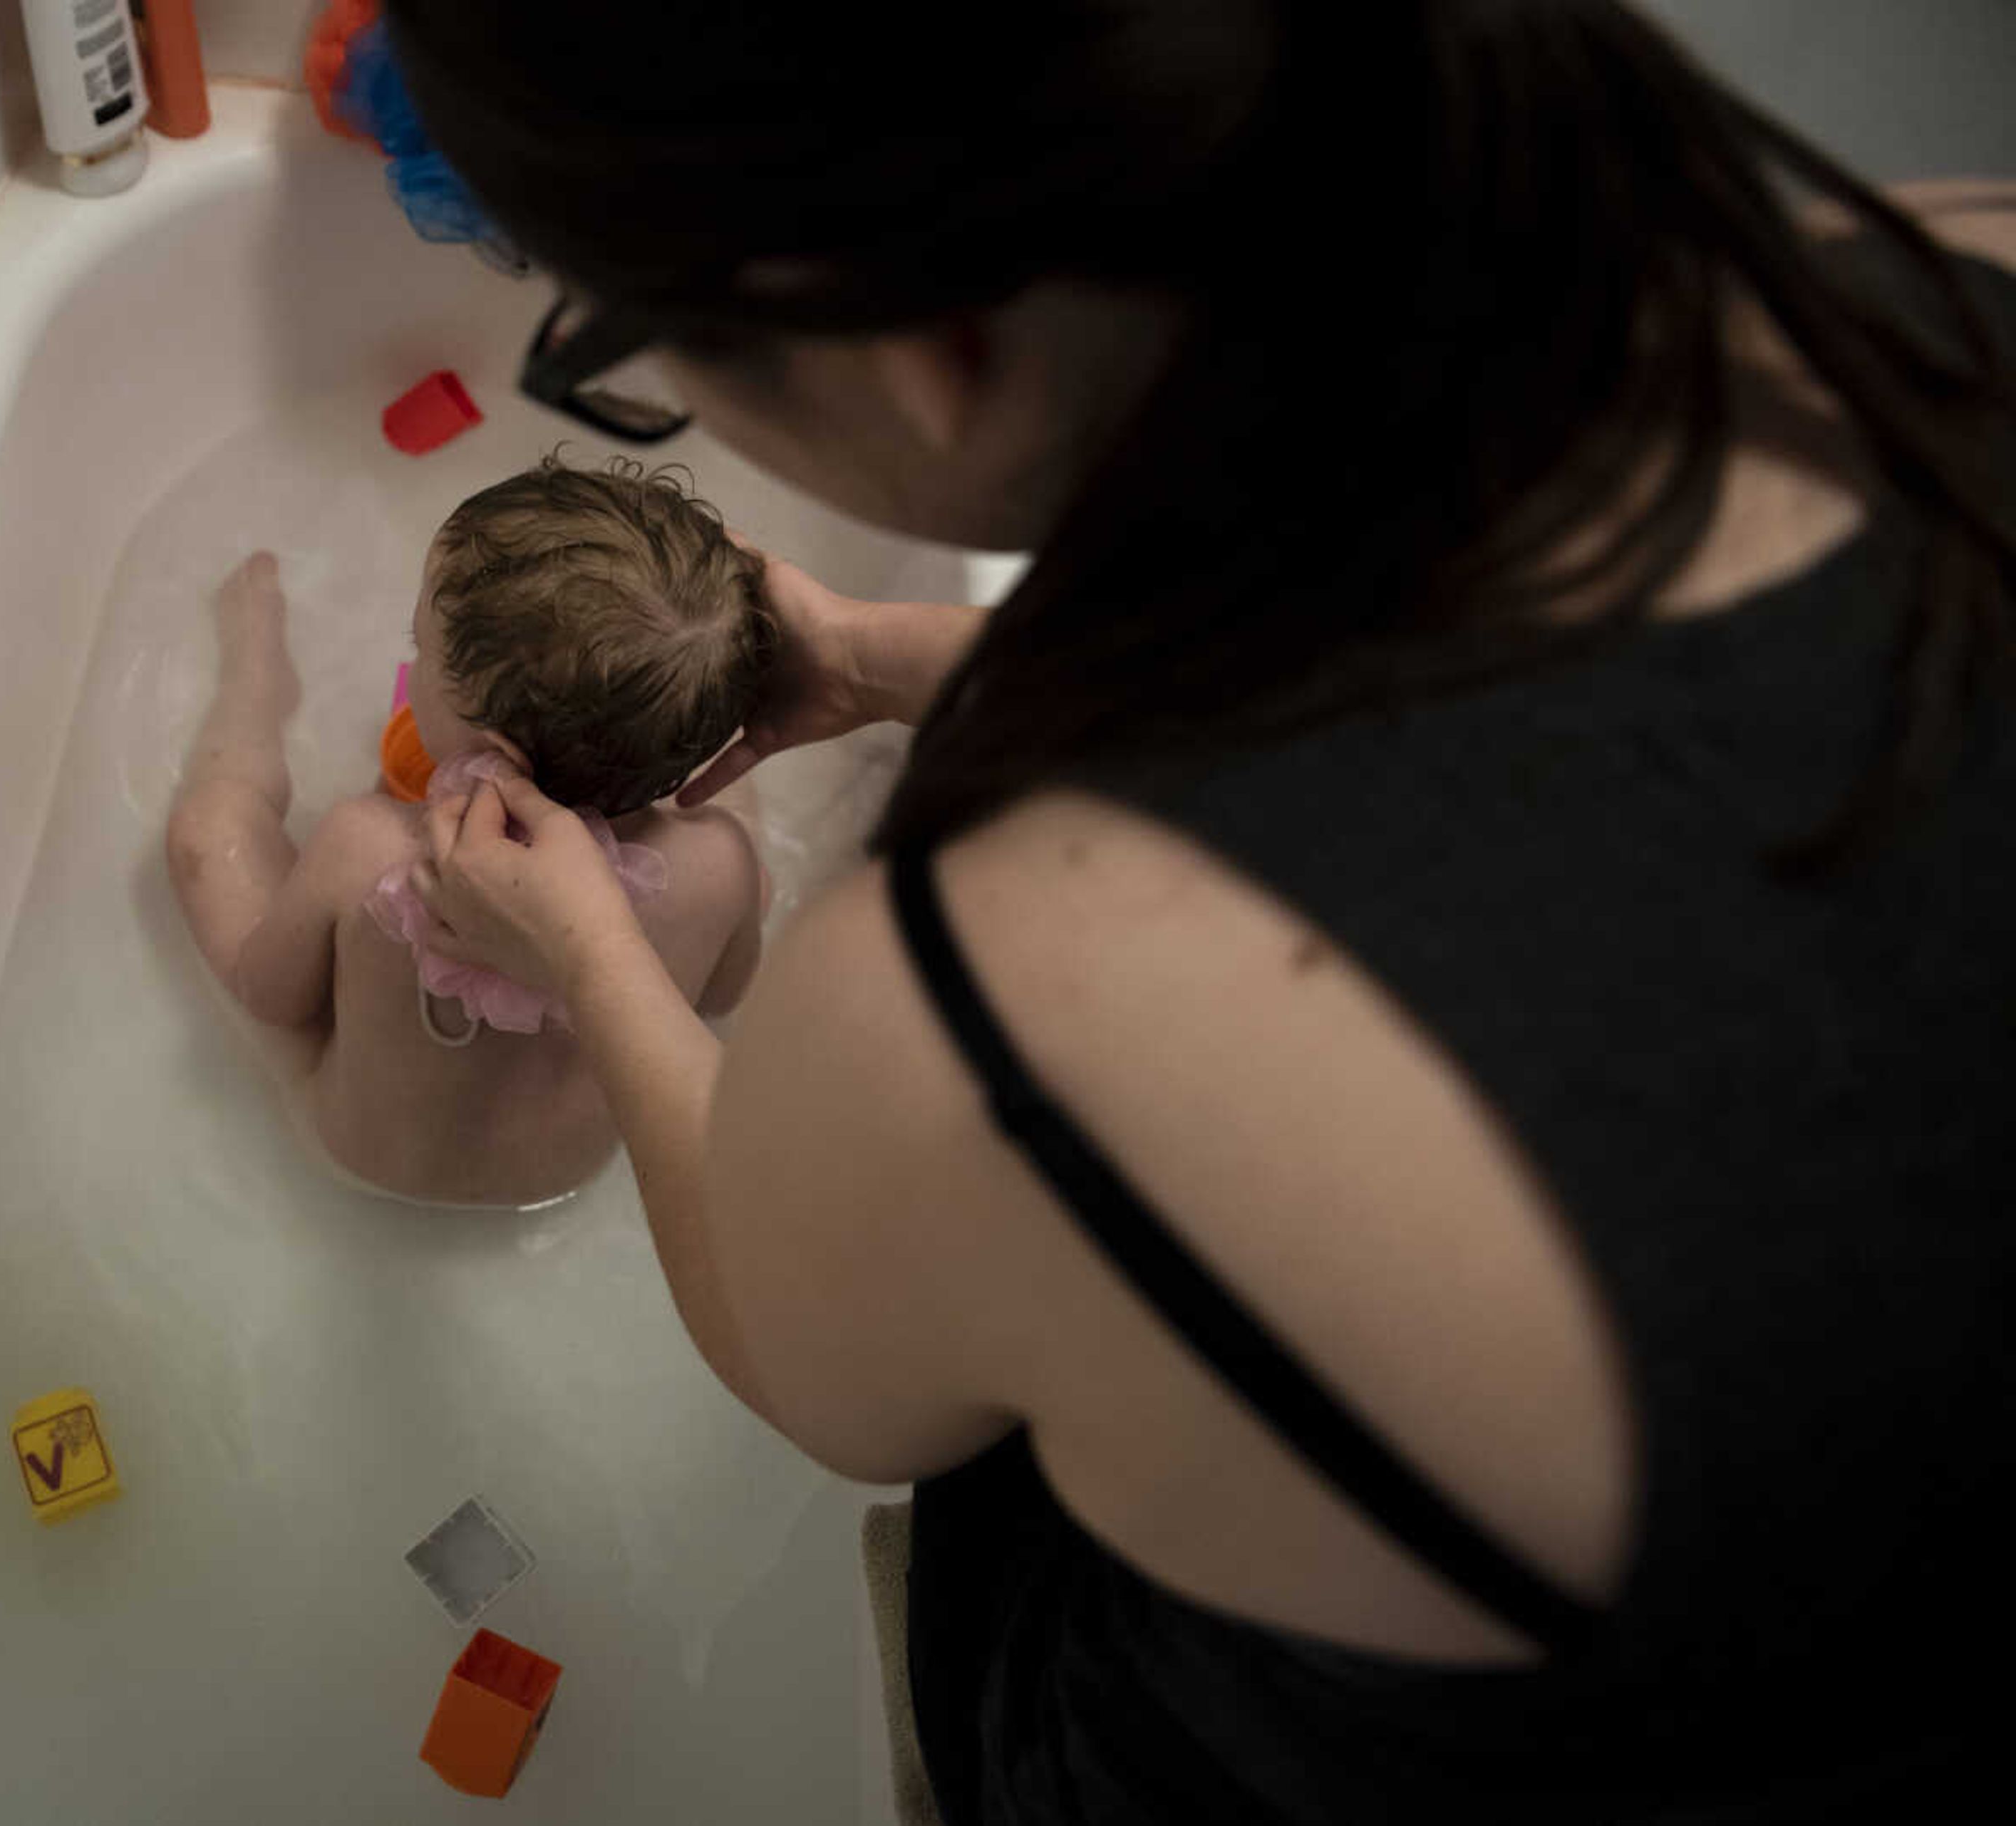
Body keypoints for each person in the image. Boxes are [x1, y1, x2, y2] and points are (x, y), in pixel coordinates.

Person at [383, 0, 2016, 1816]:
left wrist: (593, 956)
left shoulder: (1008, 1001)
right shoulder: (1936, 268)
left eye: (623, 337)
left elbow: (808, 1368)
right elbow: (1484, 698)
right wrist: (888, 658)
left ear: (927, 350)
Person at [165, 457, 768, 1207]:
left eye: (418, 650)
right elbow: (719, 998)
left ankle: (254, 680)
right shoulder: (723, 868)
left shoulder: (371, 852)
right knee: (736, 810)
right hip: (566, 1177)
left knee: (210, 824)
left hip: (362, 1155)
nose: (410, 663)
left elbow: (274, 998)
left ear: (496, 757)